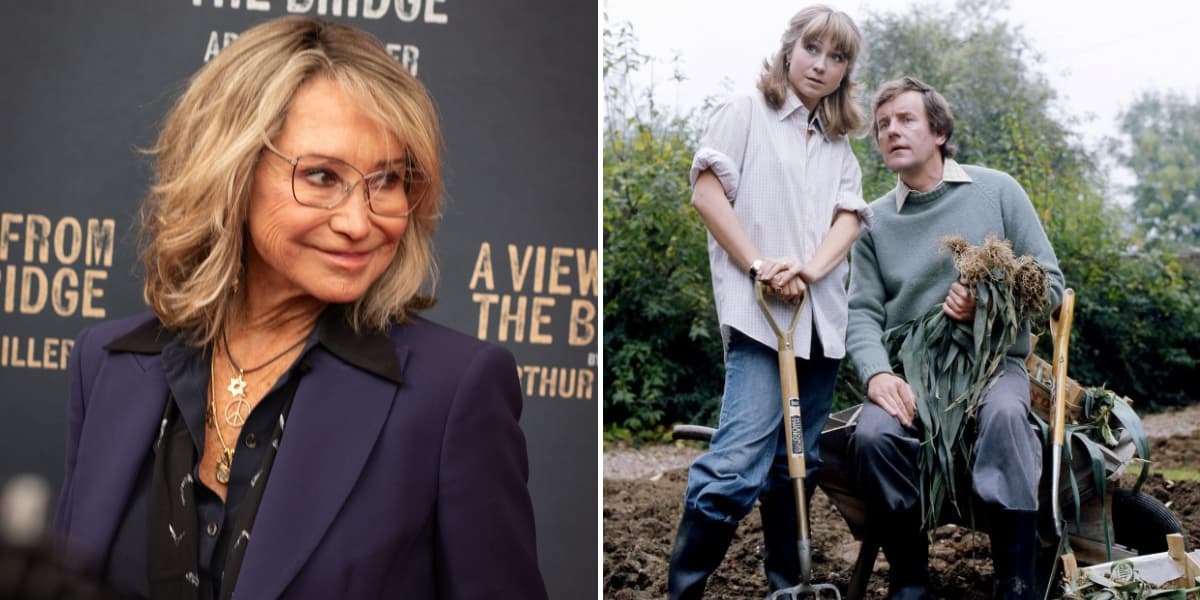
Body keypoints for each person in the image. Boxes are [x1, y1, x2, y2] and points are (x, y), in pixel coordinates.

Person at [53, 17, 547, 600]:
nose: (359, 222)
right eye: (320, 176)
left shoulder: (453, 393)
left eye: (388, 180)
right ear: (229, 172)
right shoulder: (106, 366)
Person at [667, 5, 874, 598]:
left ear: (845, 73)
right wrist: (761, 265)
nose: (822, 64)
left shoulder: (838, 144)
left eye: (838, 58)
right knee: (734, 469)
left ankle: (789, 587)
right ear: (789, 49)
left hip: (820, 327)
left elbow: (848, 221)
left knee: (794, 470)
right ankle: (683, 591)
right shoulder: (746, 112)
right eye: (813, 49)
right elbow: (708, 194)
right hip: (761, 321)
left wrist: (808, 270)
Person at [845, 76, 1064, 600]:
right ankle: (910, 580)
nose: (892, 131)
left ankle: (1015, 579)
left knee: (1009, 418)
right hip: (912, 376)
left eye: (905, 120)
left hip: (992, 366)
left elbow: (1052, 286)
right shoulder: (872, 223)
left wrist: (986, 304)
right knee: (873, 436)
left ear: (938, 131)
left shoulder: (998, 191)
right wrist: (877, 373)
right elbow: (861, 314)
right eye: (882, 126)